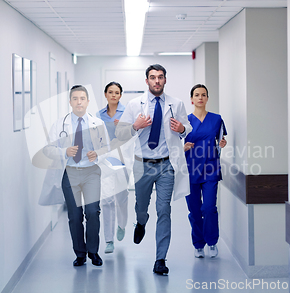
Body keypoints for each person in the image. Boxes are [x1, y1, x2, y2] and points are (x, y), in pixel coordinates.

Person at [116, 64, 192, 275]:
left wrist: (182, 129)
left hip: (167, 164)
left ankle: (160, 259)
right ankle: (141, 222)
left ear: (165, 80)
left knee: (164, 210)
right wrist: (135, 126)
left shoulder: (176, 104)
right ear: (146, 81)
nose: (156, 81)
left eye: (160, 77)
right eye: (152, 77)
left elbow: (187, 127)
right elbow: (121, 134)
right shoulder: (134, 105)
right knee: (142, 207)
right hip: (142, 164)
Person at [44, 85, 110, 267]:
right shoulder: (60, 124)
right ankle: (80, 253)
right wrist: (64, 151)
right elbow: (48, 150)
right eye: (75, 98)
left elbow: (107, 148)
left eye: (82, 98)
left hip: (91, 173)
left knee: (92, 213)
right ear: (70, 101)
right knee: (74, 215)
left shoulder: (98, 123)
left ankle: (93, 252)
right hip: (70, 173)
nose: (79, 101)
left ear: (88, 101)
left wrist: (98, 154)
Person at [183, 84, 227, 258]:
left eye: (203, 95)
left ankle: (212, 241)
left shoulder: (216, 119)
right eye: (197, 95)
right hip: (190, 169)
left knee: (208, 208)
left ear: (207, 98)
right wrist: (183, 147)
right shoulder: (185, 121)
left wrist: (222, 144)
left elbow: (220, 140)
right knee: (194, 210)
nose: (200, 97)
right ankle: (198, 244)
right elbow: (174, 145)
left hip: (210, 168)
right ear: (192, 99)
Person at [97, 81, 129, 254]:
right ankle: (109, 240)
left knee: (121, 198)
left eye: (117, 92)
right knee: (107, 199)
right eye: (111, 92)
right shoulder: (98, 115)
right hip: (105, 161)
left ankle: (122, 224)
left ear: (120, 95)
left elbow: (134, 135)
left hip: (123, 159)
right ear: (105, 94)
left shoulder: (127, 113)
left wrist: (122, 127)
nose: (114, 95)